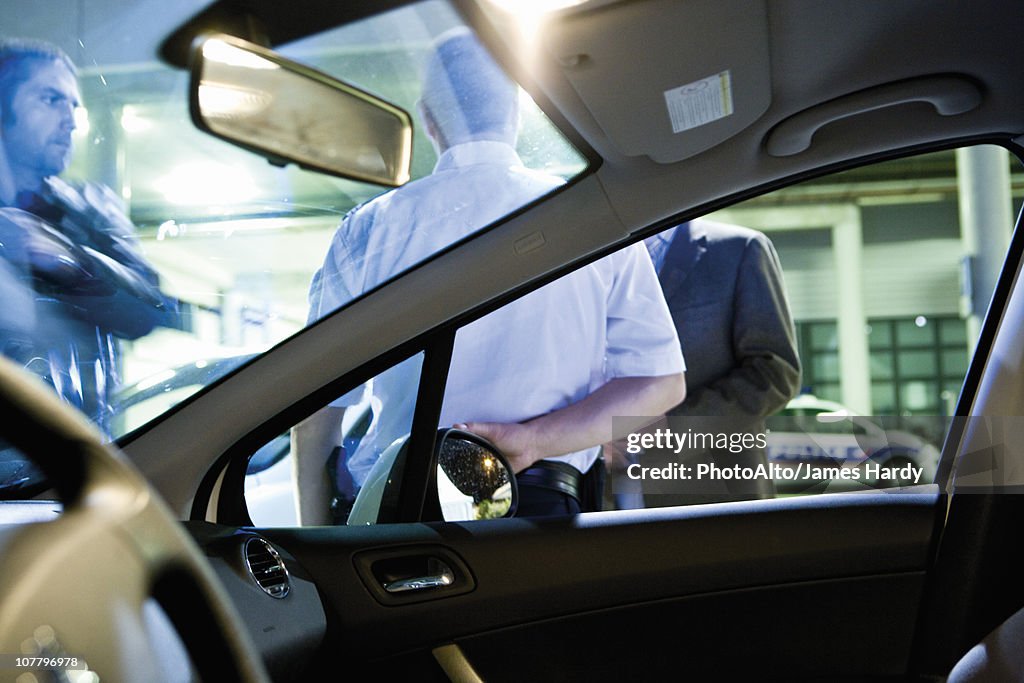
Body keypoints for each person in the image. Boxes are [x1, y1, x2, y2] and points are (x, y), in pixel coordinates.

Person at [294, 27, 685, 521]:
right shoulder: (592, 219)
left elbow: (316, 412)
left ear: (430, 120)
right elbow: (660, 383)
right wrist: (534, 441)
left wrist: (315, 540)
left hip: (399, 507)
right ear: (517, 115)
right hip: (544, 510)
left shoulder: (370, 229)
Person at [0, 38, 171, 435]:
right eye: (50, 99)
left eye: (74, 105)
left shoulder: (90, 209)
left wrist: (72, 263)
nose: (72, 120)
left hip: (75, 457)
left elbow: (149, 309)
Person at [635, 218, 801, 506]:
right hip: (604, 498)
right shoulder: (589, 261)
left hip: (715, 495)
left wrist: (669, 431)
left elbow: (775, 372)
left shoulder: (740, 249)